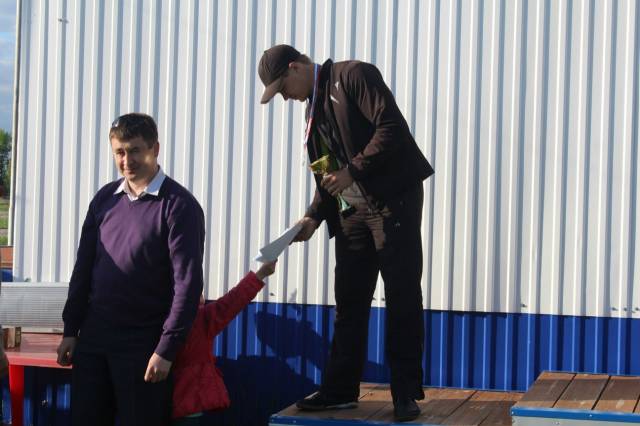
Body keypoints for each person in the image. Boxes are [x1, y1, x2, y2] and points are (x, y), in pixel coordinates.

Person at [258, 45, 434, 422]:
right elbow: (327, 174)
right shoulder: (312, 110)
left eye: (282, 88)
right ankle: (339, 390)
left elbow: (392, 128)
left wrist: (352, 171)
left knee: (402, 294)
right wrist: (312, 217)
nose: (285, 98)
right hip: (351, 211)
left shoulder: (353, 76)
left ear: (296, 67)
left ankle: (405, 393)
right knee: (349, 299)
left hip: (393, 200)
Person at [56, 113, 205, 426]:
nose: (127, 161)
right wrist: (71, 329)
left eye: (135, 150)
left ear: (155, 148)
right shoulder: (104, 200)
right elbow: (83, 268)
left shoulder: (179, 206)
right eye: (119, 152)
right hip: (94, 341)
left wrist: (166, 349)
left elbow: (187, 285)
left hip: (144, 346)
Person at [171, 260, 277, 425]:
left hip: (155, 401)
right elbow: (233, 301)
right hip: (188, 404)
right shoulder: (201, 320)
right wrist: (261, 274)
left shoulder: (153, 318)